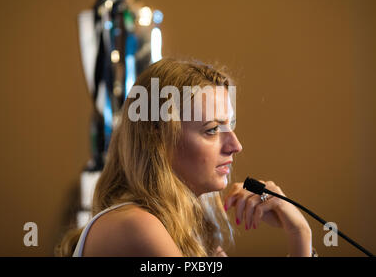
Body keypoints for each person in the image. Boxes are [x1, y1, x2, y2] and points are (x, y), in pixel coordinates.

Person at [55, 58, 314, 257]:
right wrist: (299, 234)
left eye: (230, 125)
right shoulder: (137, 226)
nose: (236, 145)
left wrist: (300, 232)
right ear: (157, 138)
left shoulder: (182, 229)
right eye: (212, 129)